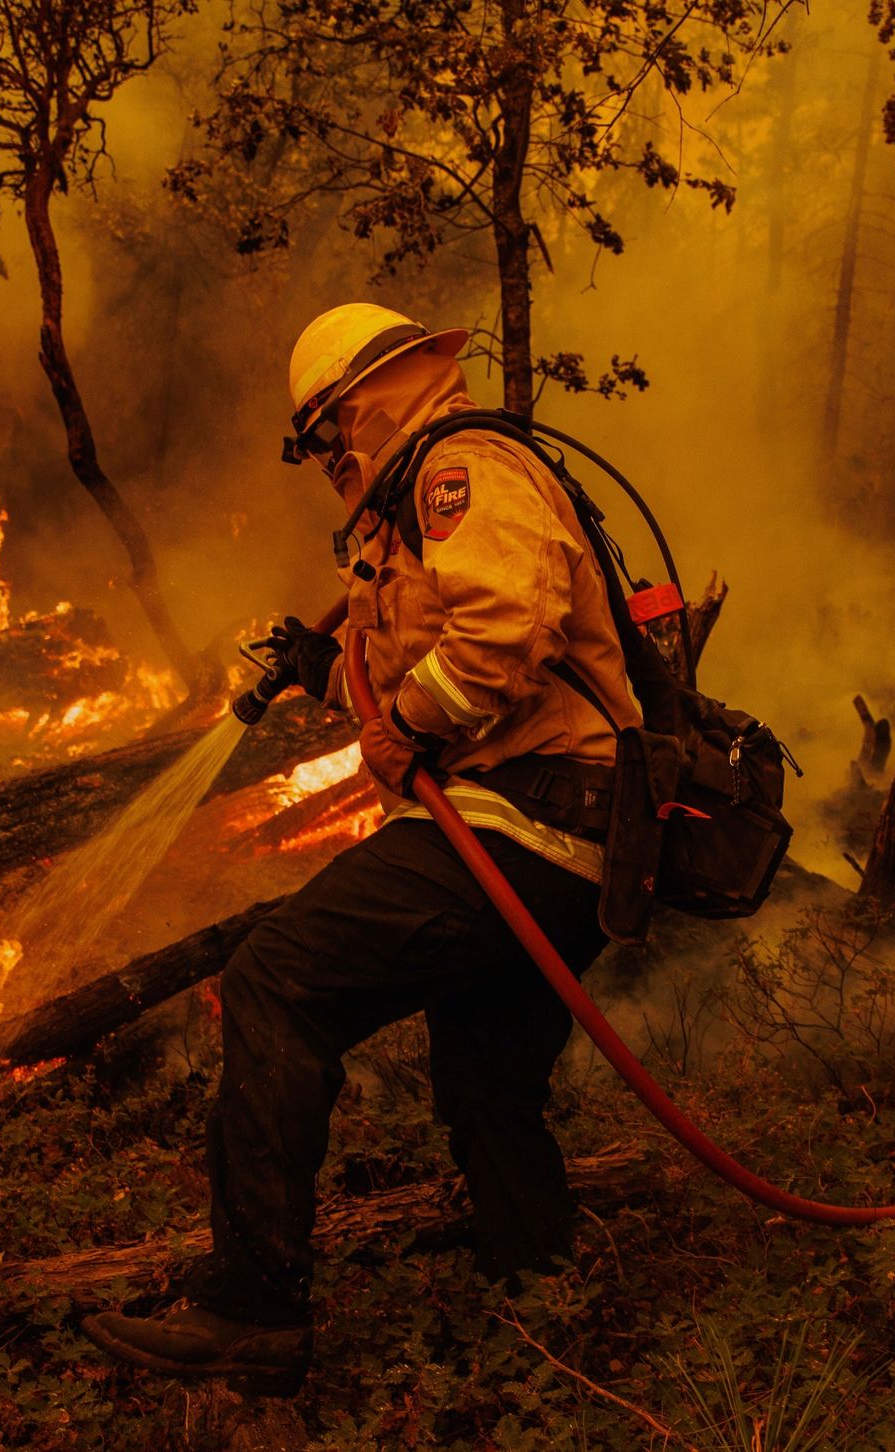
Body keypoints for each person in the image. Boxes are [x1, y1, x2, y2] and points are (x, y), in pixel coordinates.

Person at [82, 303, 643, 1393]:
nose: (328, 455)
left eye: (325, 428)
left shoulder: (459, 468)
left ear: (366, 396)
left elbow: (495, 645)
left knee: (275, 985)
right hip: (559, 844)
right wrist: (323, 676)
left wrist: (403, 726)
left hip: (518, 832)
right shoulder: (405, 513)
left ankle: (253, 1312)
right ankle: (546, 1324)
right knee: (486, 1083)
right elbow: (417, 681)